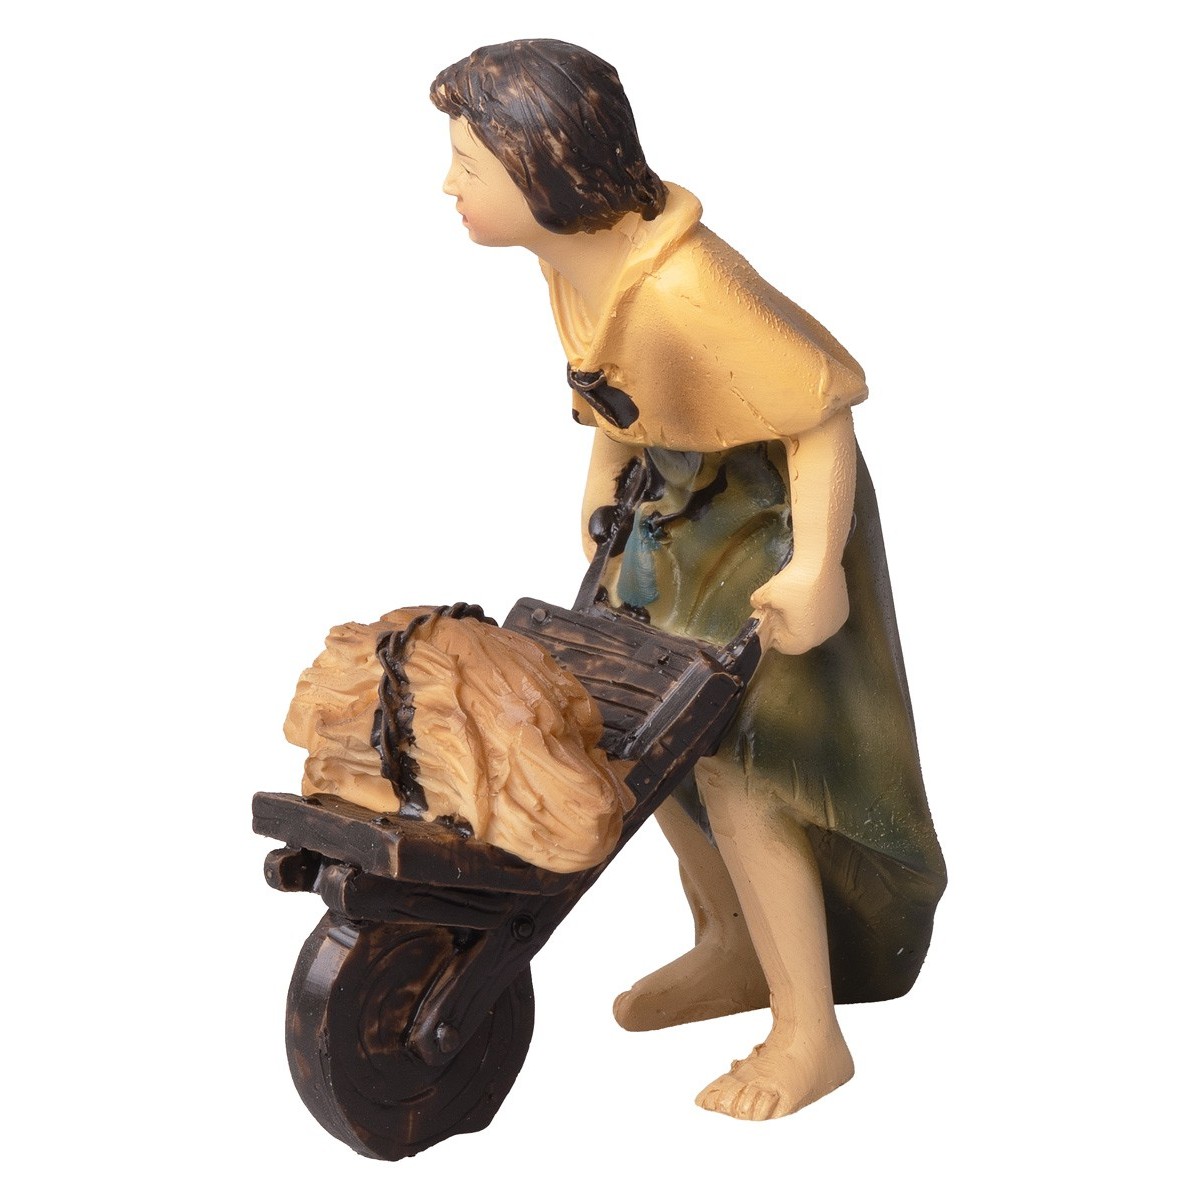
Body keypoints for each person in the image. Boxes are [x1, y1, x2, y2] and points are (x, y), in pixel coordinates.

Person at [431, 39, 945, 1121]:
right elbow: (615, 391)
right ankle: (730, 941)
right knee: (638, 729)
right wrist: (603, 474)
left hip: (769, 519)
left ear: (542, 167)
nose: (447, 186)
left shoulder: (692, 287)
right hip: (670, 509)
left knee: (742, 762)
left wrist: (816, 569)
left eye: (468, 164)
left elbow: (823, 412)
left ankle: (810, 1032)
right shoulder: (575, 262)